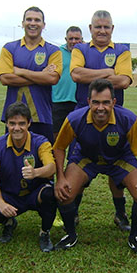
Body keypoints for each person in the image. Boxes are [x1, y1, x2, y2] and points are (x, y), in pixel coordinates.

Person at [53, 79, 137, 255]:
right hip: (87, 158)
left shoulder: (128, 118)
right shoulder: (75, 118)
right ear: (88, 102)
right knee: (65, 193)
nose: (101, 107)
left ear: (114, 102)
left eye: (106, 102)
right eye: (96, 102)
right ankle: (70, 234)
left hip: (119, 159)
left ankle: (133, 236)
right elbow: (59, 147)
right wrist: (60, 178)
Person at [70, 10, 133, 230]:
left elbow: (124, 81)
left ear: (112, 29)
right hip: (84, 117)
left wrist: (92, 74)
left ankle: (120, 214)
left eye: (107, 27)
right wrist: (108, 71)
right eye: (98, 27)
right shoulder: (80, 48)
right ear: (90, 29)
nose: (102, 31)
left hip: (114, 118)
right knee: (78, 165)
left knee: (116, 167)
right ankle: (73, 212)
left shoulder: (122, 51)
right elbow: (76, 75)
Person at [0, 102, 57, 252]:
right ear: (6, 124)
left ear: (29, 123)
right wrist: (1, 204)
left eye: (21, 123)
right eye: (12, 123)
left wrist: (35, 173)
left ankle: (44, 232)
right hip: (10, 196)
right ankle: (8, 222)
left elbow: (51, 168)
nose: (17, 128)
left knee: (50, 194)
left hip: (34, 193)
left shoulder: (41, 142)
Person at [0, 6, 61, 144]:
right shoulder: (9, 48)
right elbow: (5, 78)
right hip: (14, 119)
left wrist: (20, 71)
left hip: (42, 116)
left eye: (37, 20)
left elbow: (52, 78)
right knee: (12, 159)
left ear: (43, 25)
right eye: (29, 19)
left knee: (44, 159)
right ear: (22, 23)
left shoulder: (53, 50)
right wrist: (40, 76)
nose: (33, 23)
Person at [51, 26, 83, 229]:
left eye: (77, 39)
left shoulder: (84, 53)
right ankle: (54, 196)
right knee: (56, 152)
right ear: (65, 39)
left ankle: (73, 206)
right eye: (71, 38)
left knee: (76, 154)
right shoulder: (57, 53)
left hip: (78, 105)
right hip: (57, 104)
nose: (74, 42)